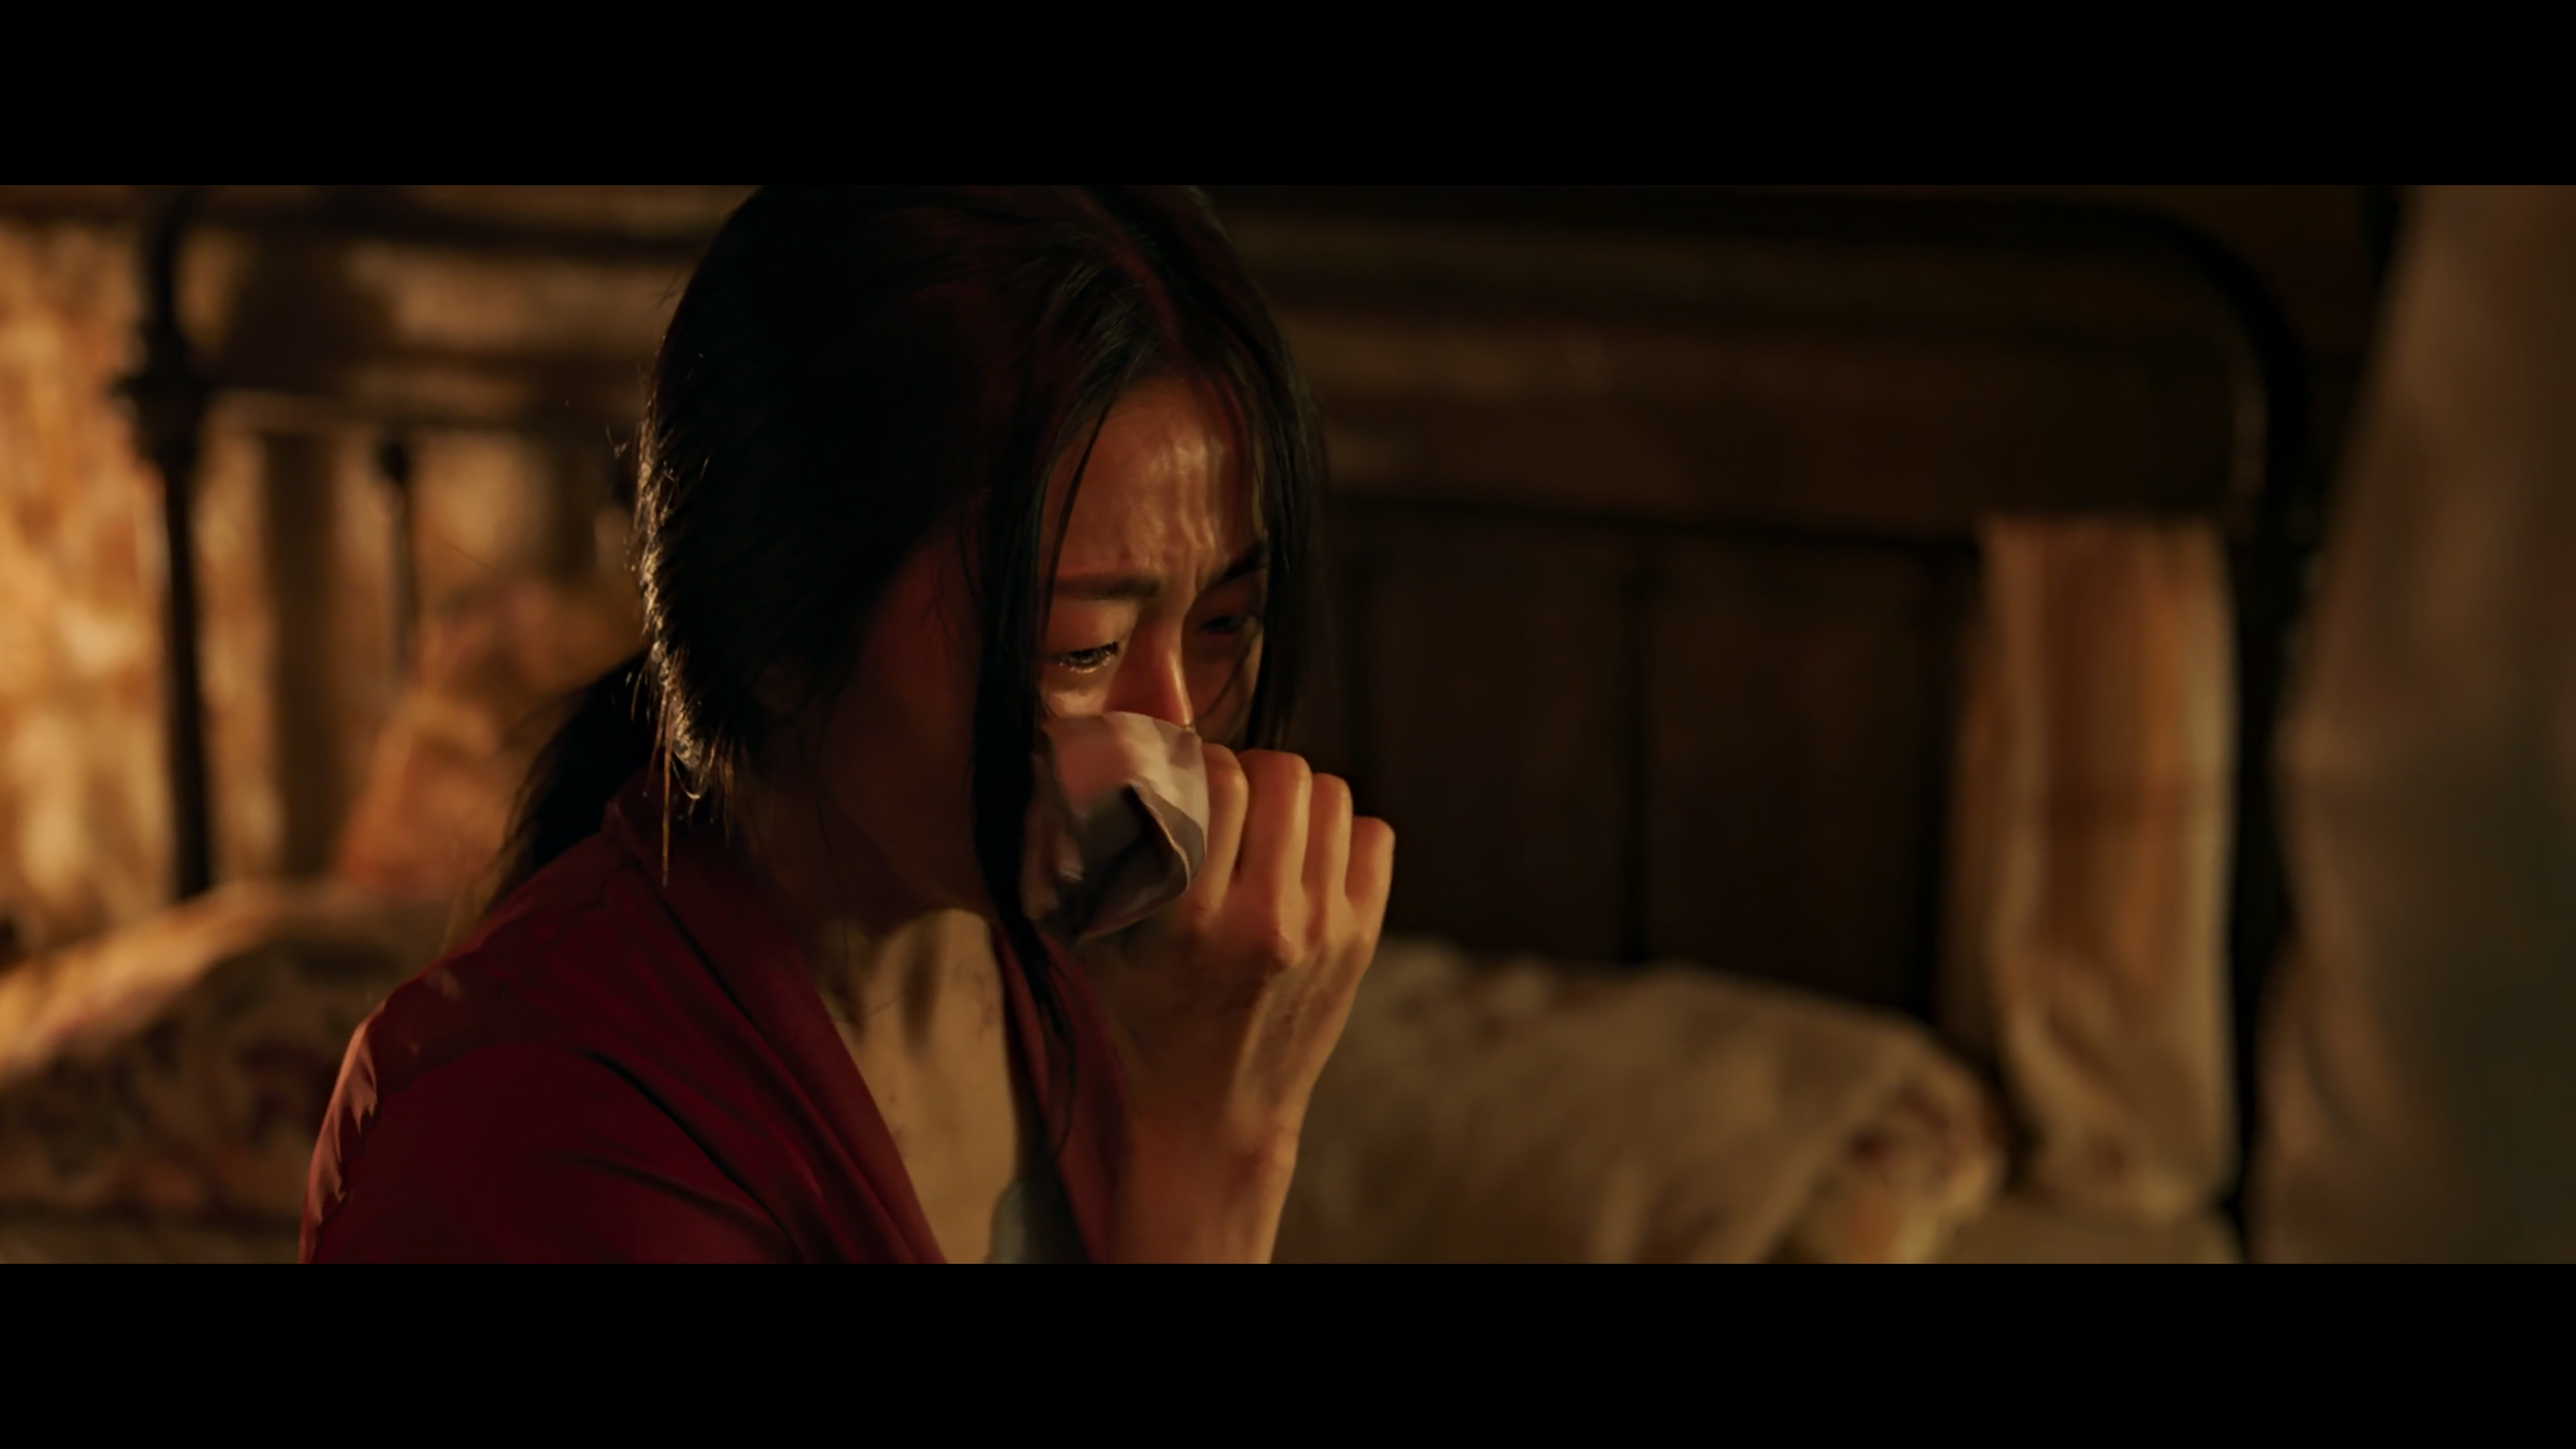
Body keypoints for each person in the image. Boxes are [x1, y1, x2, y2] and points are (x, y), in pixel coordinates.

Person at [301, 186, 1395, 1263]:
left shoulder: (1085, 959)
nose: (1178, 730)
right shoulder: (519, 1141)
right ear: (777, 624)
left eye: (1224, 623)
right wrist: (1217, 1156)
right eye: (1080, 647)